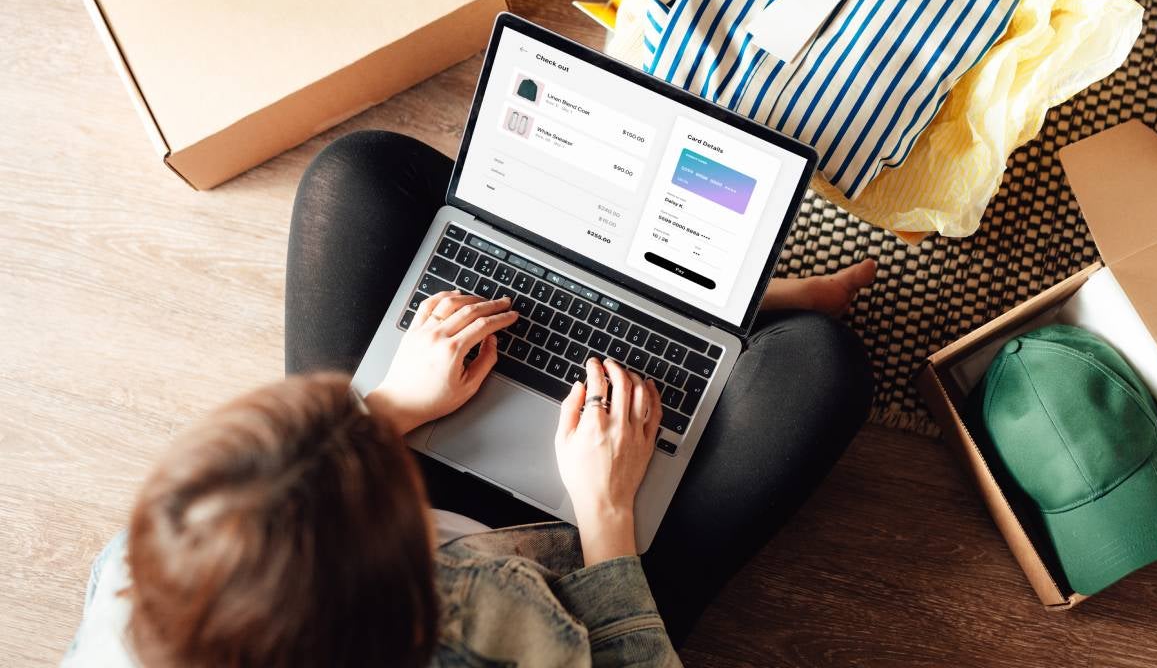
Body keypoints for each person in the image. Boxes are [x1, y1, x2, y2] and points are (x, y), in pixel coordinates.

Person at [64, 131, 876, 667]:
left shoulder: (144, 587)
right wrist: (607, 516)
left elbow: (284, 490)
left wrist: (389, 405)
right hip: (574, 573)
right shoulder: (472, 641)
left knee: (360, 174)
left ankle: (683, 307)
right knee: (820, 367)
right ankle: (717, 314)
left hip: (368, 544)